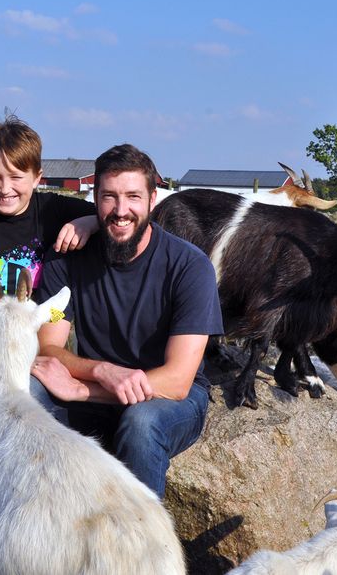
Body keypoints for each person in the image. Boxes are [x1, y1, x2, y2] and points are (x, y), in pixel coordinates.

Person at [31, 143, 224, 498]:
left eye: (133, 196)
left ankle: (141, 547)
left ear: (153, 199)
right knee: (30, 394)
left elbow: (178, 380)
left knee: (141, 422)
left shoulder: (190, 267)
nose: (121, 211)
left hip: (167, 400)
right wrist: (103, 370)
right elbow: (48, 349)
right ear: (95, 199)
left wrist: (82, 389)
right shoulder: (65, 262)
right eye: (109, 197)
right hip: (99, 388)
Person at [0, 114, 98, 433]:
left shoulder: (52, 212)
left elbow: (116, 216)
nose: (5, 188)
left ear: (37, 177)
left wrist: (89, 223)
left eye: (17, 177)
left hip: (31, 371)